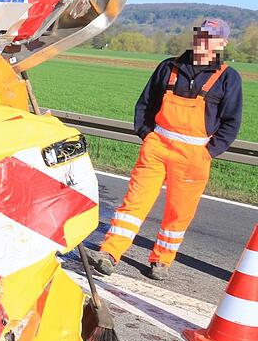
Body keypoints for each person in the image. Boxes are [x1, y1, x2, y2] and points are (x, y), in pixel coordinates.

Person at [88, 18, 242, 280]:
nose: (205, 42)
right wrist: (147, 136)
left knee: (179, 212)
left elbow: (231, 122)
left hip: (194, 155)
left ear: (223, 43)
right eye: (202, 35)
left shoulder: (228, 78)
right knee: (134, 203)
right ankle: (110, 253)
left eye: (212, 38)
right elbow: (145, 105)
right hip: (157, 147)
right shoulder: (169, 67)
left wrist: (207, 152)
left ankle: (162, 260)